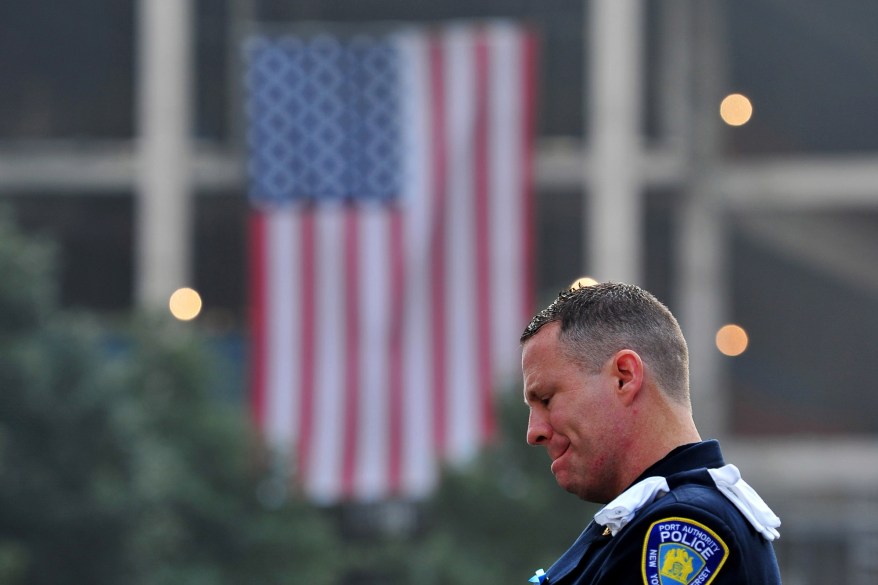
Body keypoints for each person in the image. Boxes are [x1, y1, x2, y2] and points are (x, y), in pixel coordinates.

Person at [520, 282, 782, 584]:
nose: (533, 432)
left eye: (547, 399)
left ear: (624, 377)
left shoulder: (682, 528)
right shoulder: (637, 524)